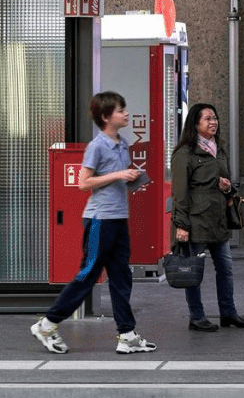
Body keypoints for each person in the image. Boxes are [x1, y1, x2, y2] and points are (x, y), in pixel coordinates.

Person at [30, 92, 157, 354]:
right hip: (100, 219)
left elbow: (111, 179)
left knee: (121, 277)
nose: (125, 114)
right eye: (120, 110)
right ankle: (48, 323)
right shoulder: (97, 146)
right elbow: (83, 183)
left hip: (118, 218)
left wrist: (131, 179)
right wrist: (119, 174)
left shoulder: (121, 143)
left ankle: (126, 334)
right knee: (88, 275)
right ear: (105, 116)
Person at [172, 103, 244, 332]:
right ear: (195, 124)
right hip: (195, 220)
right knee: (194, 271)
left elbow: (225, 182)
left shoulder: (220, 149)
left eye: (215, 118)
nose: (213, 122)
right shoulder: (184, 153)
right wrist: (181, 224)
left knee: (225, 268)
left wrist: (228, 189)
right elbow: (179, 192)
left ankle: (228, 313)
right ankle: (196, 316)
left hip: (217, 219)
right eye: (207, 118)